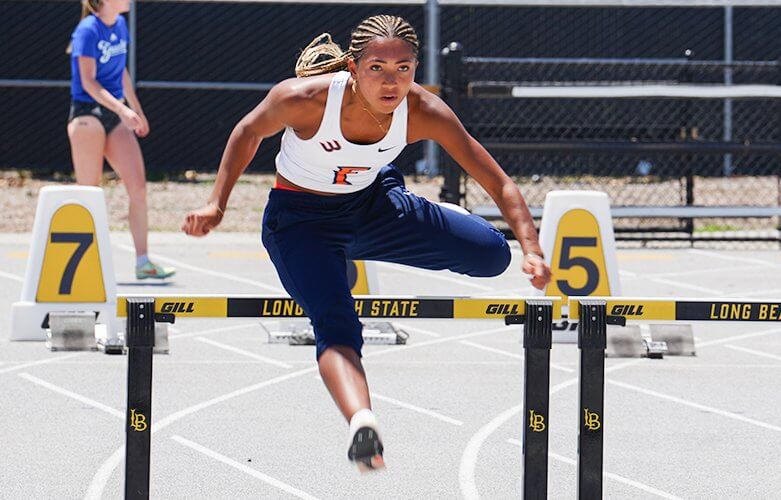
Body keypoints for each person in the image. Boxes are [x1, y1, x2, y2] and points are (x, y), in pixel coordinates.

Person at [182, 15, 551, 471]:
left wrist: (532, 250)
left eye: (404, 68)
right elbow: (247, 131)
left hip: (372, 207)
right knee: (336, 324)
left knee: (492, 256)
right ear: (353, 68)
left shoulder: (423, 110)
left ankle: (420, 210)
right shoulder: (307, 100)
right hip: (302, 223)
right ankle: (361, 421)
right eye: (377, 68)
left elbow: (498, 182)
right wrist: (216, 204)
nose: (391, 81)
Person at [67, 0, 175, 280]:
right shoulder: (87, 30)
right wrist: (122, 109)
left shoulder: (121, 25)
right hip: (87, 113)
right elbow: (89, 82)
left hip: (116, 113)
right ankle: (85, 267)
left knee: (138, 187)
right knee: (89, 193)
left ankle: (143, 262)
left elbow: (122, 72)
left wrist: (136, 110)